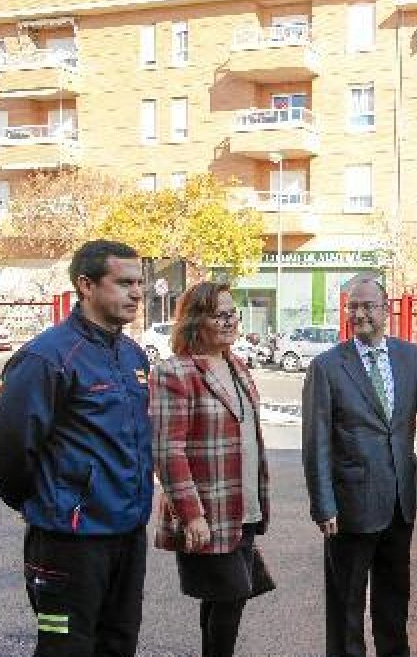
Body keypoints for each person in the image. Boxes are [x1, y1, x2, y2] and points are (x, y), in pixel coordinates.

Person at [0, 239, 152, 657]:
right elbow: (5, 448)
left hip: (127, 534)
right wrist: (42, 504)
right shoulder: (48, 356)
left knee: (118, 645)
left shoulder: (132, 355)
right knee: (66, 650)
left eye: (140, 284)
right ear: (86, 285)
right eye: (124, 282)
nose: (136, 293)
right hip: (69, 542)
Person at [302, 274, 417, 657]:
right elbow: (315, 441)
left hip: (398, 504)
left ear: (385, 310)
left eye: (367, 306)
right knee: (346, 608)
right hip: (349, 508)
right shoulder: (326, 366)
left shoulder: (410, 358)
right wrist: (323, 505)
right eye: (352, 306)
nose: (359, 313)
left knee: (394, 605)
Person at [150, 281, 273, 657]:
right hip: (208, 512)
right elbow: (167, 450)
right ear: (194, 320)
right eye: (219, 315)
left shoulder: (236, 365)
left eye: (232, 313)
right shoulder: (175, 372)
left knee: (225, 598)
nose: (229, 321)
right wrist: (191, 516)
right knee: (231, 594)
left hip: (243, 507)